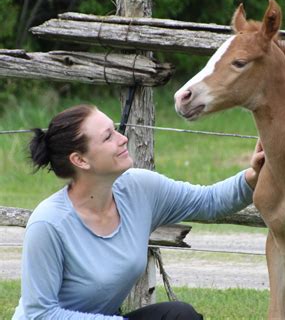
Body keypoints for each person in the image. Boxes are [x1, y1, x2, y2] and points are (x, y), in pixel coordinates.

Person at [12, 104, 265, 320]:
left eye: (116, 130)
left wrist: (252, 176)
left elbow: (208, 201)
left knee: (180, 315)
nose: (122, 139)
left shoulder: (138, 188)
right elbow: (40, 314)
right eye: (108, 136)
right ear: (80, 160)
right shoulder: (48, 224)